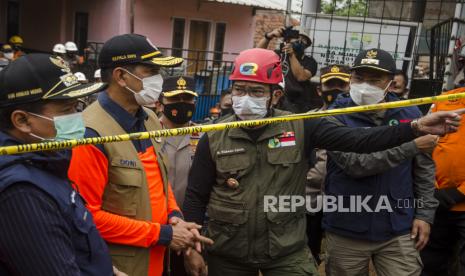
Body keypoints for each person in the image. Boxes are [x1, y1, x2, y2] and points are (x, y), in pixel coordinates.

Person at [182, 48, 463, 276]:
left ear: (275, 95)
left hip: (285, 251)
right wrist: (192, 247)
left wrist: (415, 126)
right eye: (239, 90)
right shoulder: (214, 135)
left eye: (256, 92)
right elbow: (196, 195)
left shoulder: (303, 126)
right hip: (228, 251)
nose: (245, 99)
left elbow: (360, 141)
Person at [68, 34, 212, 276]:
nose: (159, 79)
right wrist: (163, 234)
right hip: (119, 265)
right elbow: (86, 218)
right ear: (121, 76)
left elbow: (158, 181)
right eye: (151, 70)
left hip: (155, 261)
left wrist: (174, 216)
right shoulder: (89, 134)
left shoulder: (149, 118)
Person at [323, 49, 439, 276]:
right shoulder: (334, 116)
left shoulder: (410, 112)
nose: (365, 85)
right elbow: (356, 164)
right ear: (350, 79)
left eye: (375, 80)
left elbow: (424, 169)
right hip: (346, 228)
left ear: (391, 83)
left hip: (398, 229)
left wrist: (425, 215)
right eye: (359, 78)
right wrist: (412, 146)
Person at [0, 53, 114, 275]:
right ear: (22, 121)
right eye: (66, 110)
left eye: (76, 106)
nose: (77, 117)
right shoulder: (22, 192)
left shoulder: (45, 160)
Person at [305, 64, 350, 264]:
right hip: (310, 200)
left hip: (347, 202)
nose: (336, 89)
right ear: (319, 90)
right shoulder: (307, 119)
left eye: (342, 84)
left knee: (342, 259)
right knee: (309, 252)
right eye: (330, 84)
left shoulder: (359, 121)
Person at [159, 76, 201, 276]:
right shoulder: (146, 135)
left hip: (192, 229)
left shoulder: (203, 137)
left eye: (188, 99)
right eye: (175, 99)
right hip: (156, 230)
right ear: (160, 104)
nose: (182, 105)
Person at [421, 86, 465, 276]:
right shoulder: (446, 98)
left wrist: (460, 193)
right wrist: (431, 188)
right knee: (429, 263)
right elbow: (426, 141)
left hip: (459, 200)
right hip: (437, 200)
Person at [257, 26, 318, 113]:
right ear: (287, 40)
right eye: (297, 37)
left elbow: (301, 77)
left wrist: (292, 55)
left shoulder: (310, 61)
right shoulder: (277, 55)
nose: (300, 41)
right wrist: (269, 36)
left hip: (296, 105)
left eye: (304, 39)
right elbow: (257, 53)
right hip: (273, 101)